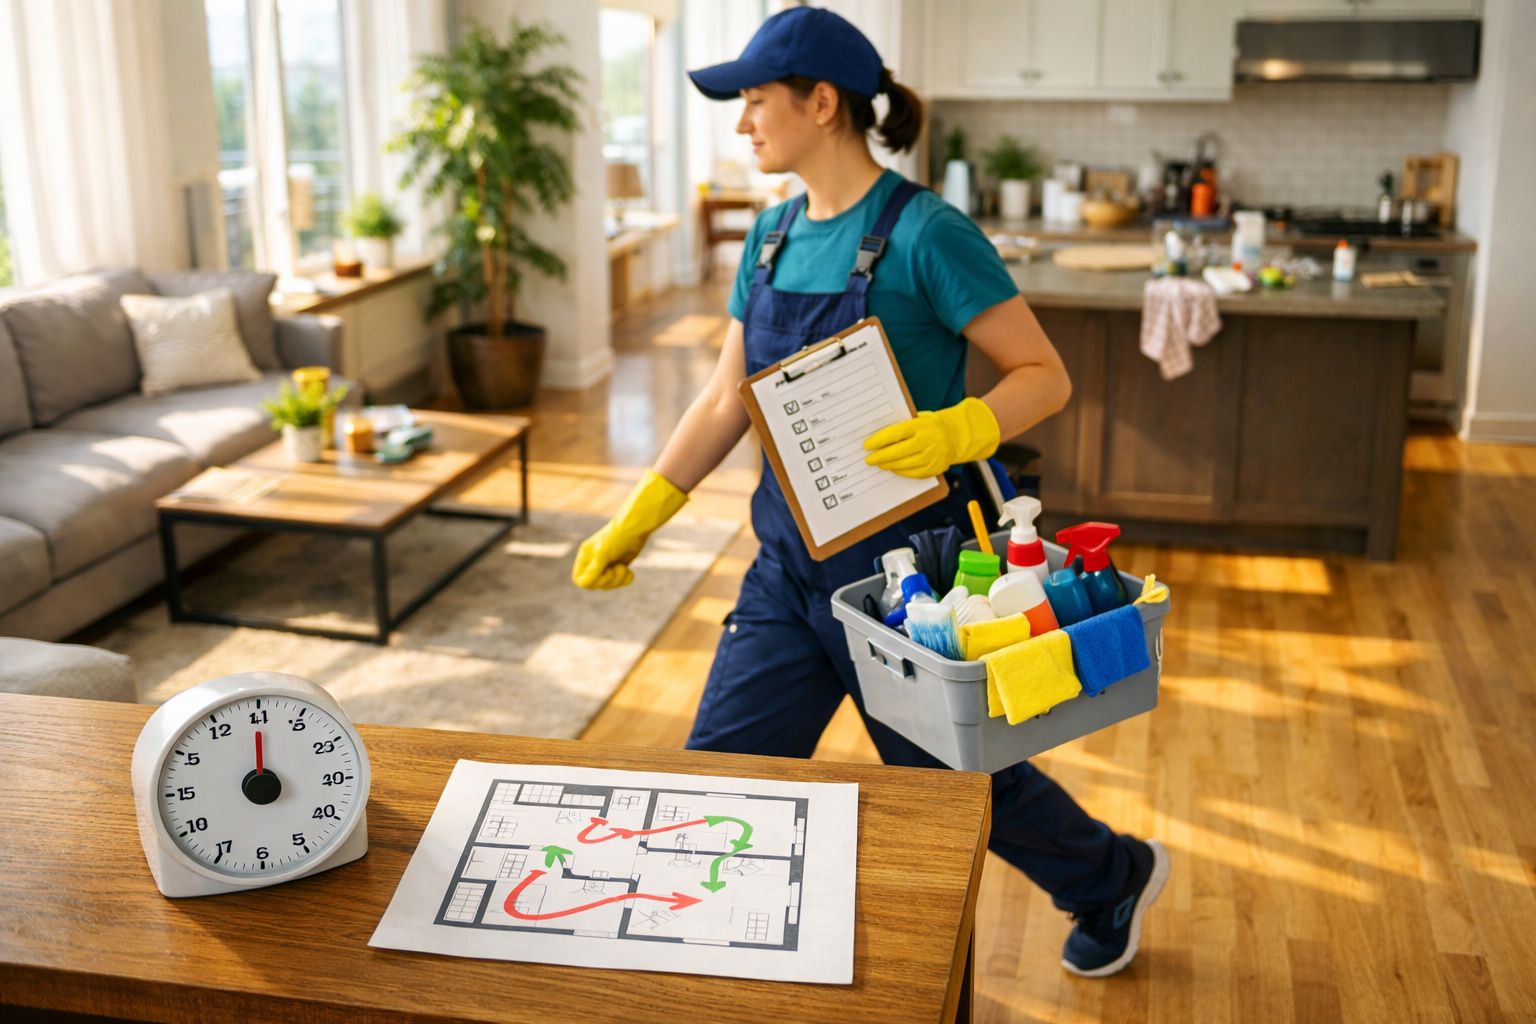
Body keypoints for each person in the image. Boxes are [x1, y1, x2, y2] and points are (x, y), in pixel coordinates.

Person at [572, 6, 1167, 978]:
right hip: (785, 569)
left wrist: (961, 424)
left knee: (958, 787)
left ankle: (1112, 874)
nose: (742, 124)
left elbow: (1042, 374)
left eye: (755, 101)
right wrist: (645, 510)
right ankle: (706, 954)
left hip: (903, 592)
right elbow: (728, 396)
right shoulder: (767, 236)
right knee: (720, 770)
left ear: (821, 102)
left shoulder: (928, 232)